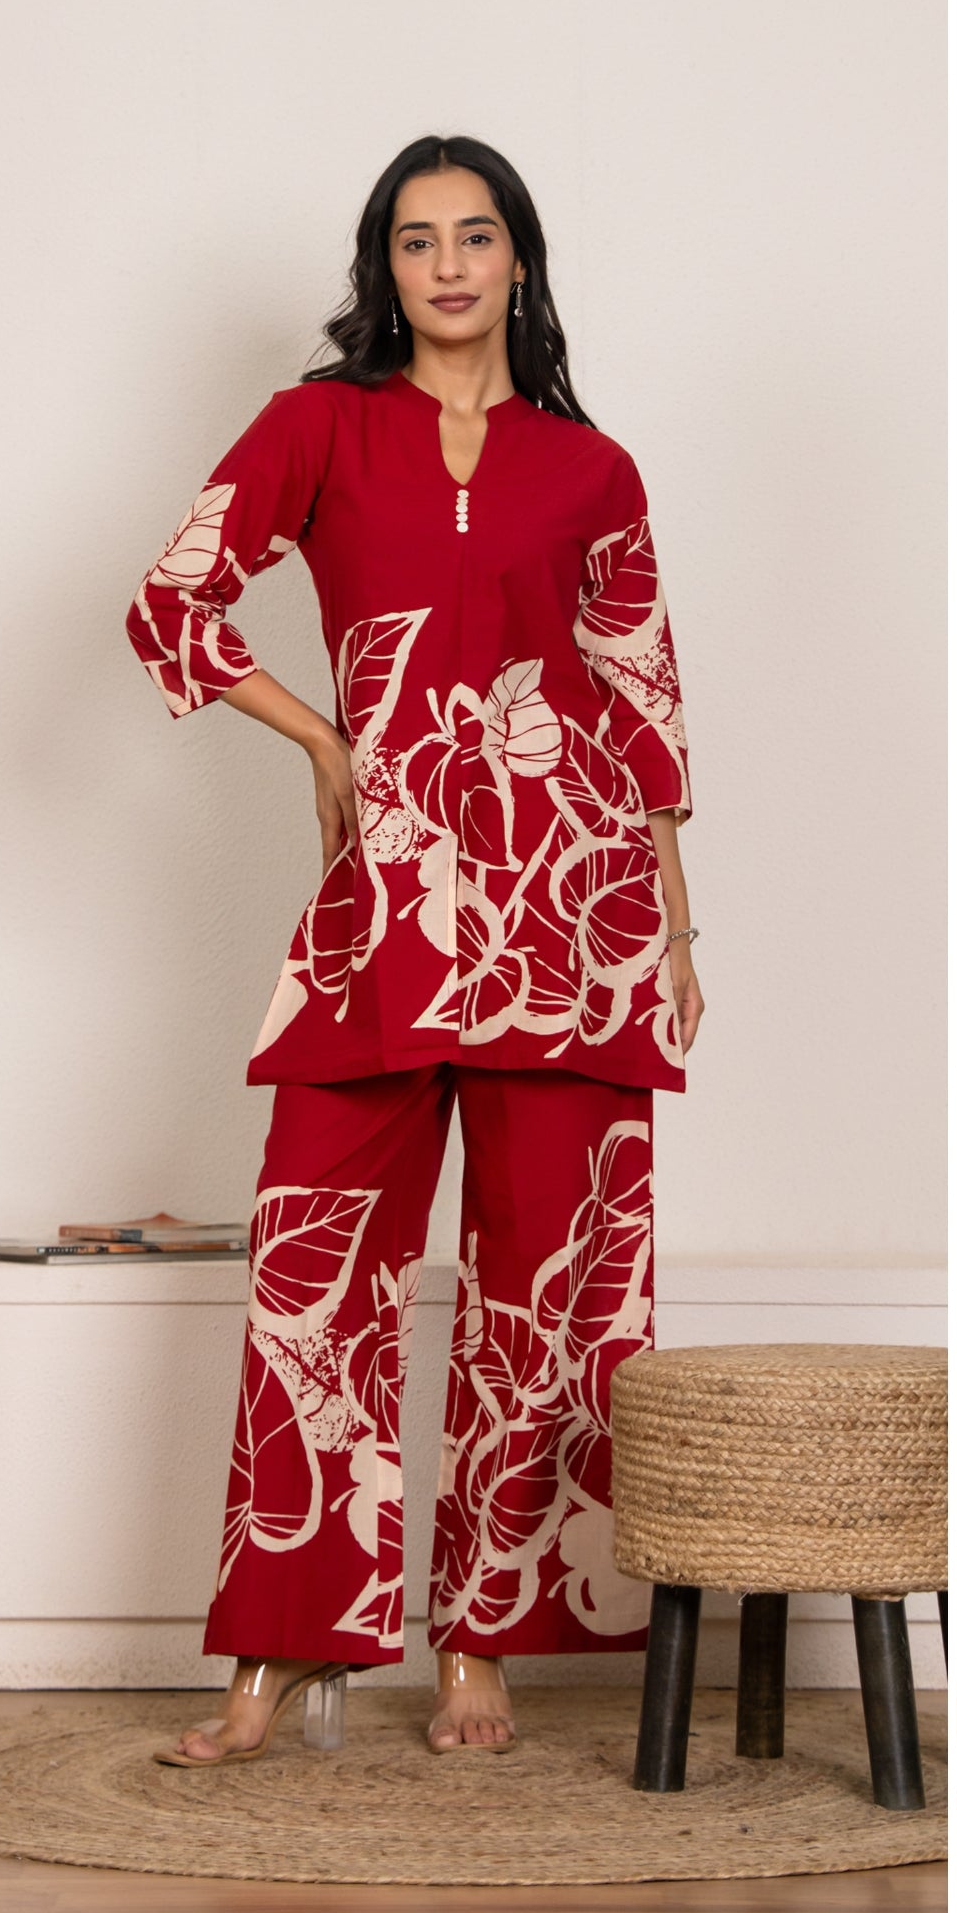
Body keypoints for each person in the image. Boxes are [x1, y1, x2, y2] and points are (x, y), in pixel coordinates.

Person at [126, 134, 701, 1765]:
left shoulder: (594, 470)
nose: (448, 264)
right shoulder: (318, 427)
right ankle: (279, 1650)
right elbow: (172, 603)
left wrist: (674, 923)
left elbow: (643, 703)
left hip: (572, 917)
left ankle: (482, 1642)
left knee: (546, 1294)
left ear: (521, 260)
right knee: (314, 1280)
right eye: (417, 239)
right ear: (385, 267)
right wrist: (322, 738)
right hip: (384, 916)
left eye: (477, 235)